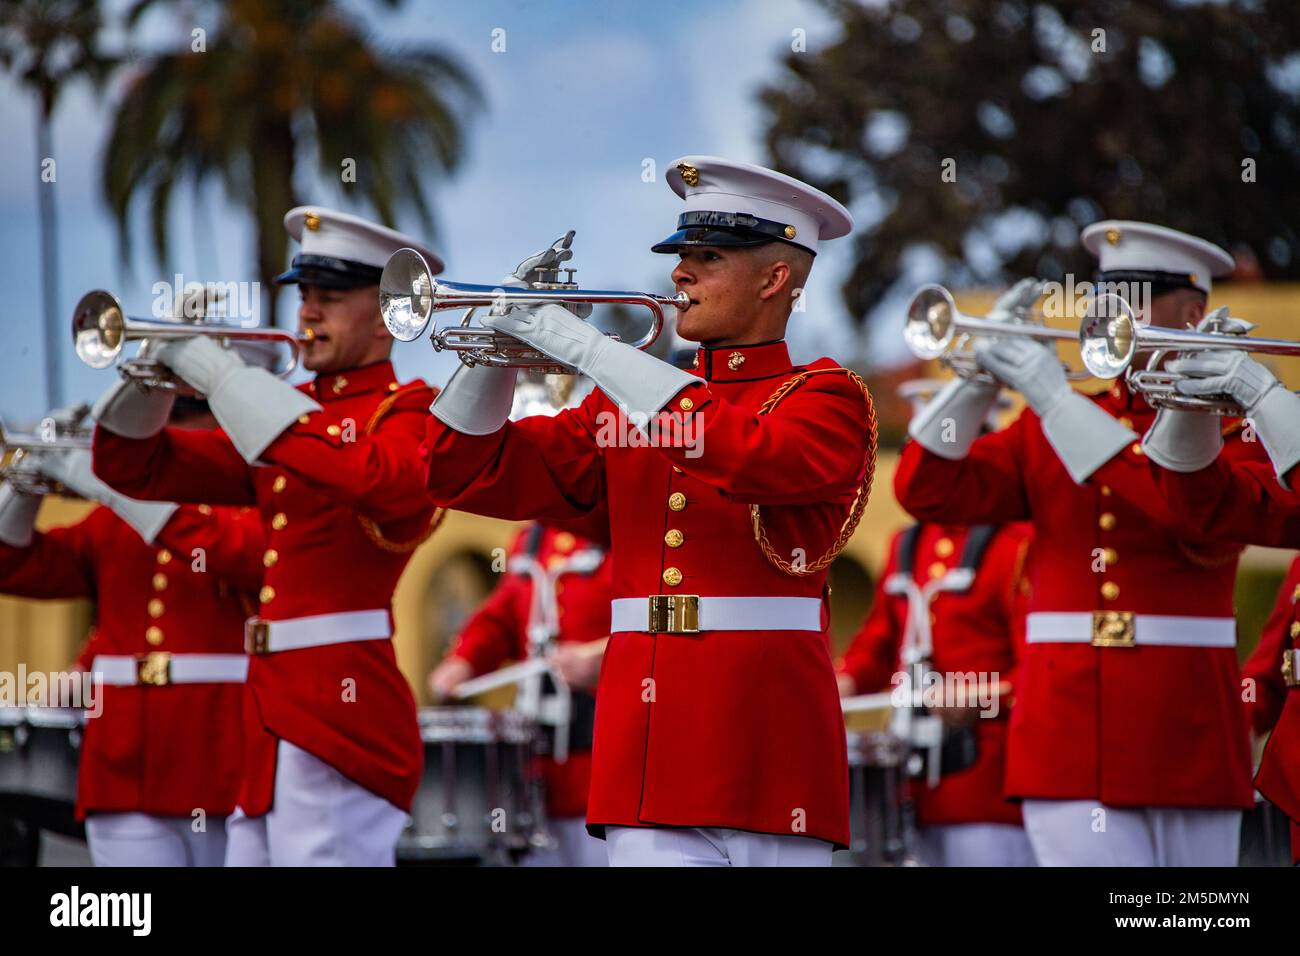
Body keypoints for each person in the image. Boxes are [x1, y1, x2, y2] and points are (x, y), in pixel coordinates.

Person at [422, 156, 874, 866]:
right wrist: (493, 354)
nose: (680, 275)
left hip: (769, 745)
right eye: (681, 258)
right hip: (645, 749)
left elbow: (745, 454)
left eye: (708, 258)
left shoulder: (825, 397)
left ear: (775, 278)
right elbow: (465, 471)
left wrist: (584, 346)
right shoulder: (621, 402)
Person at [894, 222, 1265, 866]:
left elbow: (1184, 511)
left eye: (1139, 294)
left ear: (1194, 312)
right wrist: (977, 378)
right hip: (1066, 735)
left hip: (1188, 729)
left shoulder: (1233, 429)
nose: (1113, 312)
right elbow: (926, 490)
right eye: (1104, 296)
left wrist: (1052, 396)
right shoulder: (1042, 424)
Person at [91, 207, 443, 866]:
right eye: (305, 295)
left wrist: (228, 380)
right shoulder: (289, 421)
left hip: (342, 710)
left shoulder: (410, 410)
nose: (308, 313)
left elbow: (375, 479)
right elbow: (131, 466)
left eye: (331, 298)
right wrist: (153, 374)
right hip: (270, 712)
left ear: (389, 310)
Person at [0, 399, 259, 866]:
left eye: (182, 414)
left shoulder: (247, 506)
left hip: (218, 752)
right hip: (121, 759)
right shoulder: (110, 524)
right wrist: (25, 480)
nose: (167, 432)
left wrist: (122, 492)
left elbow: (241, 556)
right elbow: (14, 564)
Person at [837, 386, 1035, 867]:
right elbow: (880, 641)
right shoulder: (907, 543)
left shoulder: (1020, 543)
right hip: (910, 787)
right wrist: (842, 681)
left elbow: (1039, 669)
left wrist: (979, 696)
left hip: (988, 789)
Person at [430, 521, 610, 866]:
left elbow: (647, 619)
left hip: (602, 755)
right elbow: (503, 614)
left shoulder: (622, 533)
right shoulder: (534, 538)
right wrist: (464, 660)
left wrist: (603, 658)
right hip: (538, 764)